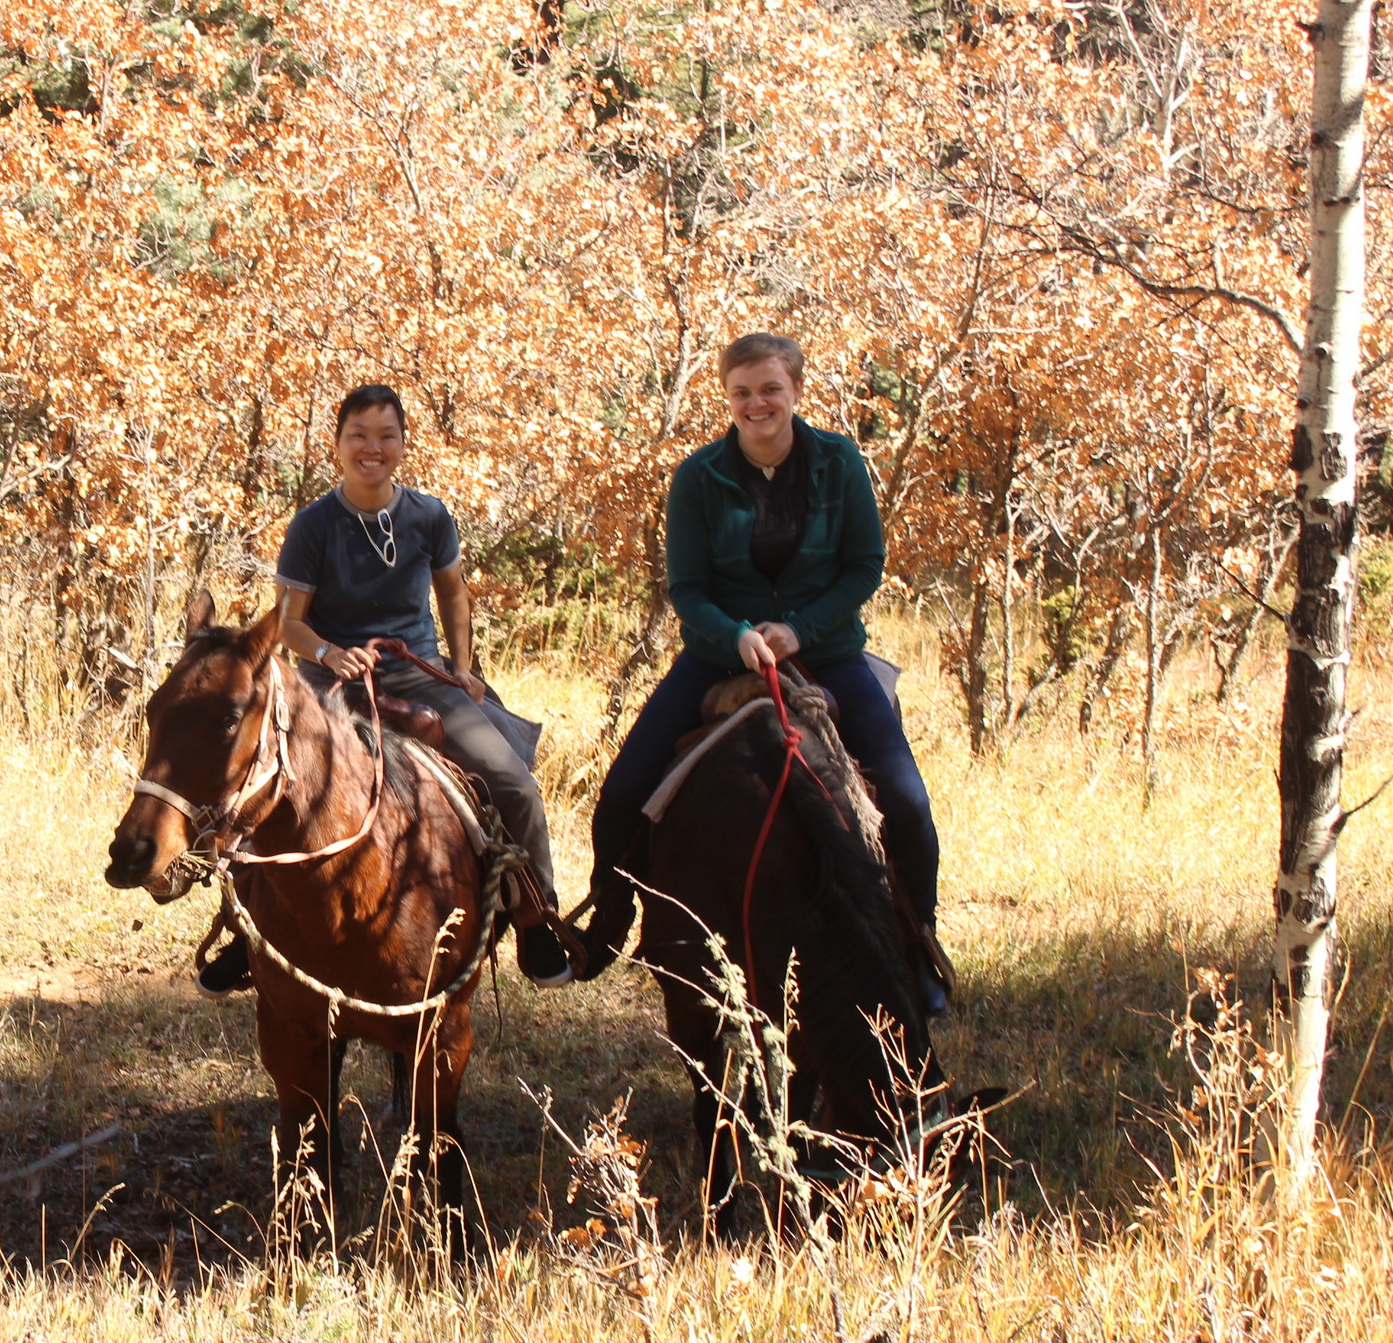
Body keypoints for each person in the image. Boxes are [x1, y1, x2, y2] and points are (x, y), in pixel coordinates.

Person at [583, 332, 948, 1012]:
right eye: (743, 392)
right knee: (621, 793)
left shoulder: (840, 462)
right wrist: (738, 633)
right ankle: (609, 919)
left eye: (770, 389)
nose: (757, 404)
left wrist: (799, 628)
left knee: (908, 801)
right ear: (728, 398)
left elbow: (864, 565)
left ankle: (917, 947)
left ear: (796, 391)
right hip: (721, 654)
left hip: (829, 654)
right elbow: (688, 587)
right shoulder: (699, 476)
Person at [197, 383, 579, 993]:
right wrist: (326, 651)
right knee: (265, 788)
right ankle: (247, 933)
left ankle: (536, 918)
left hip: (417, 670)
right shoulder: (313, 525)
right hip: (330, 682)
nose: (372, 448)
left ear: (402, 444)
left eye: (386, 436)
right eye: (358, 436)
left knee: (513, 782)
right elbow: (288, 623)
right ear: (338, 443)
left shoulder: (429, 516)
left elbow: (453, 592)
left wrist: (462, 664)